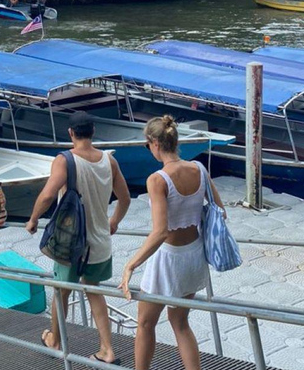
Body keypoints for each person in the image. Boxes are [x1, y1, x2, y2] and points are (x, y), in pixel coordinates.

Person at [118, 115, 226, 370]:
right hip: (194, 254)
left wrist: (130, 265)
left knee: (145, 324)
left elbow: (160, 232)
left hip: (168, 258)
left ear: (154, 143)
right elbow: (220, 210)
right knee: (180, 322)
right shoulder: (199, 169)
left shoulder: (157, 179)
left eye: (147, 145)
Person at [26, 111, 131, 365]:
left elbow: (48, 195)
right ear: (93, 131)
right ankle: (107, 349)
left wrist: (33, 219)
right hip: (99, 242)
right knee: (93, 291)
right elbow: (125, 198)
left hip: (71, 244)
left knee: (61, 290)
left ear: (70, 133)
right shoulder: (109, 161)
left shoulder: (64, 160)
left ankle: (55, 339)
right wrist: (113, 221)